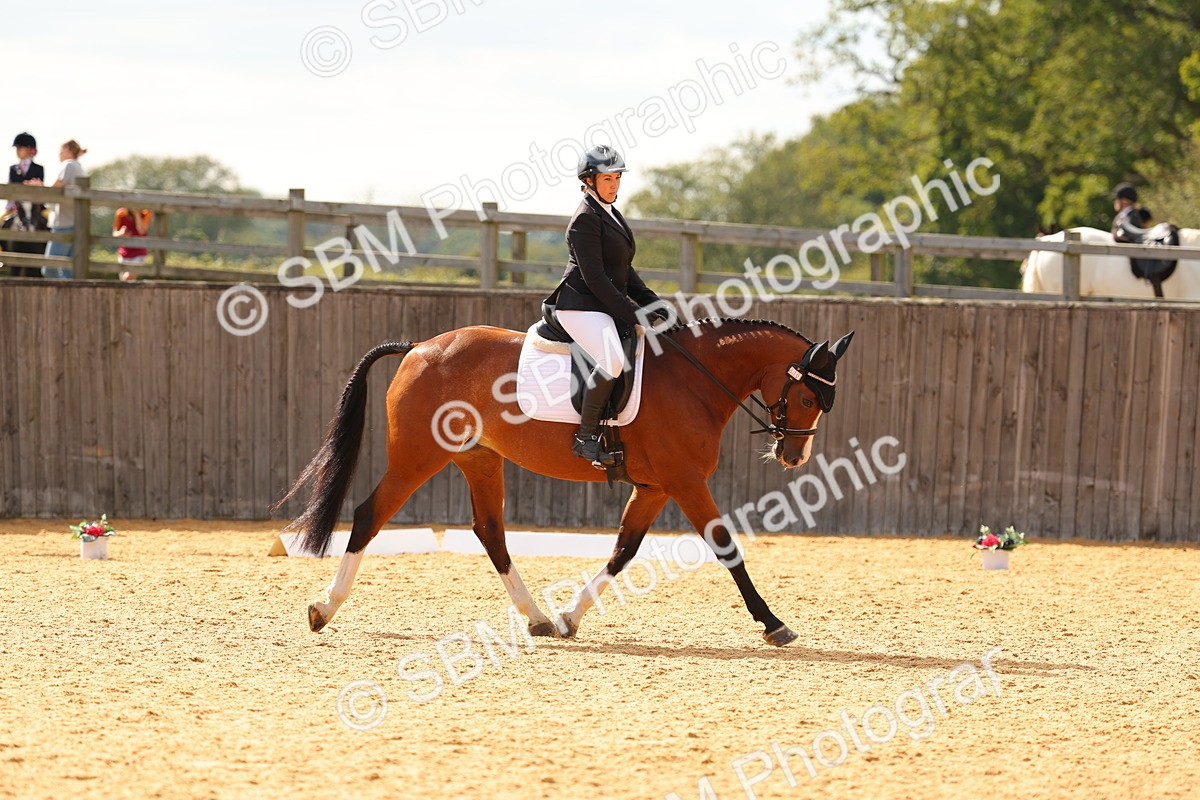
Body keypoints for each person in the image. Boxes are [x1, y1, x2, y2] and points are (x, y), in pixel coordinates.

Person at [543, 145, 669, 466]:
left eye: (617, 178)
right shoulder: (585, 220)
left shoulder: (609, 212)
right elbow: (597, 279)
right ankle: (585, 438)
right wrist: (633, 313)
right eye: (607, 179)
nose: (613, 185)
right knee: (612, 360)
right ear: (589, 180)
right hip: (579, 305)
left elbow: (623, 268)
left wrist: (651, 301)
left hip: (601, 303)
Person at [37, 139, 88, 278]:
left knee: (49, 269)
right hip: (75, 224)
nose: (59, 154)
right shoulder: (79, 167)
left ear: (68, 150)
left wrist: (39, 187)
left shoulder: (68, 166)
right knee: (69, 271)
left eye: (61, 150)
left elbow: (55, 189)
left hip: (64, 224)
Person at [3, 132, 48, 277]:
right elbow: (11, 188)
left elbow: (40, 187)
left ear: (29, 149)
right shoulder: (13, 168)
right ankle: (3, 256)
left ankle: (48, 252)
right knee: (1, 222)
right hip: (16, 207)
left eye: (20, 147)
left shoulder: (38, 168)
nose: (17, 151)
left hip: (36, 206)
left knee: (51, 222)